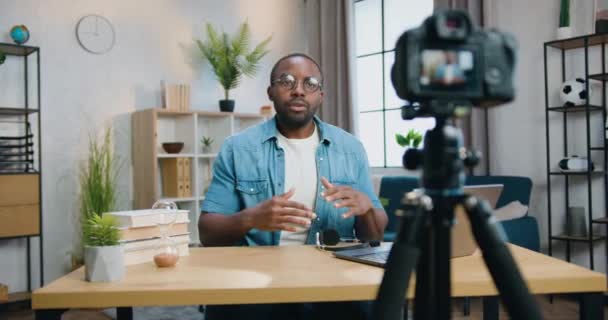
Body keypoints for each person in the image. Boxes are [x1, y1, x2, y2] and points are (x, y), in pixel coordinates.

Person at [198, 53, 388, 320]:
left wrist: (366, 210)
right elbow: (207, 233)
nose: (298, 90)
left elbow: (373, 237)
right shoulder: (237, 148)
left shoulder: (350, 149)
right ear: (271, 92)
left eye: (310, 83)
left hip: (332, 280)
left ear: (320, 95)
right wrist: (252, 218)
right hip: (258, 280)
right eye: (287, 81)